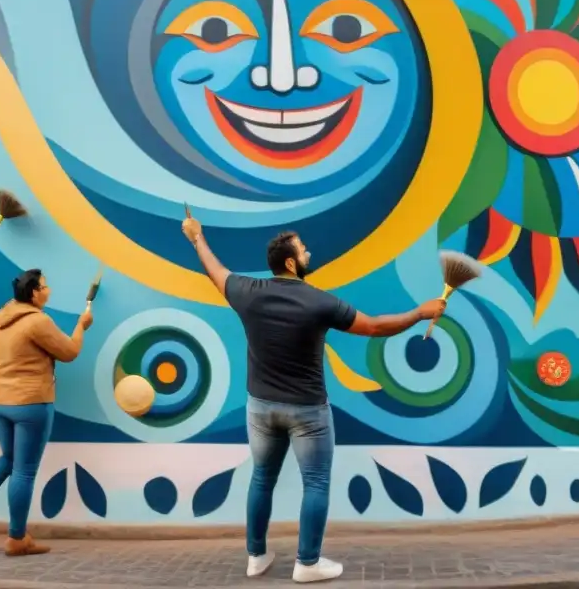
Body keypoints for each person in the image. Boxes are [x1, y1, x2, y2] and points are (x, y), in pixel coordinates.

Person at [180, 216, 446, 583]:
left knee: (261, 478)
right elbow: (374, 327)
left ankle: (256, 557)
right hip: (307, 411)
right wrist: (419, 313)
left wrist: (197, 238)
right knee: (316, 482)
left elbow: (215, 268)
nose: (308, 252)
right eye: (303, 249)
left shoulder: (246, 291)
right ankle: (307, 563)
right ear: (290, 262)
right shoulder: (320, 302)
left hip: (261, 408)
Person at [0, 268, 93, 557]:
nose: (49, 291)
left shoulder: (1, 316)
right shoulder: (37, 322)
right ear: (34, 292)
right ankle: (17, 537)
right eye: (46, 286)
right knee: (24, 471)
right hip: (31, 404)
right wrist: (81, 326)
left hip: (1, 401)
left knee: (8, 459)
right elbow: (70, 352)